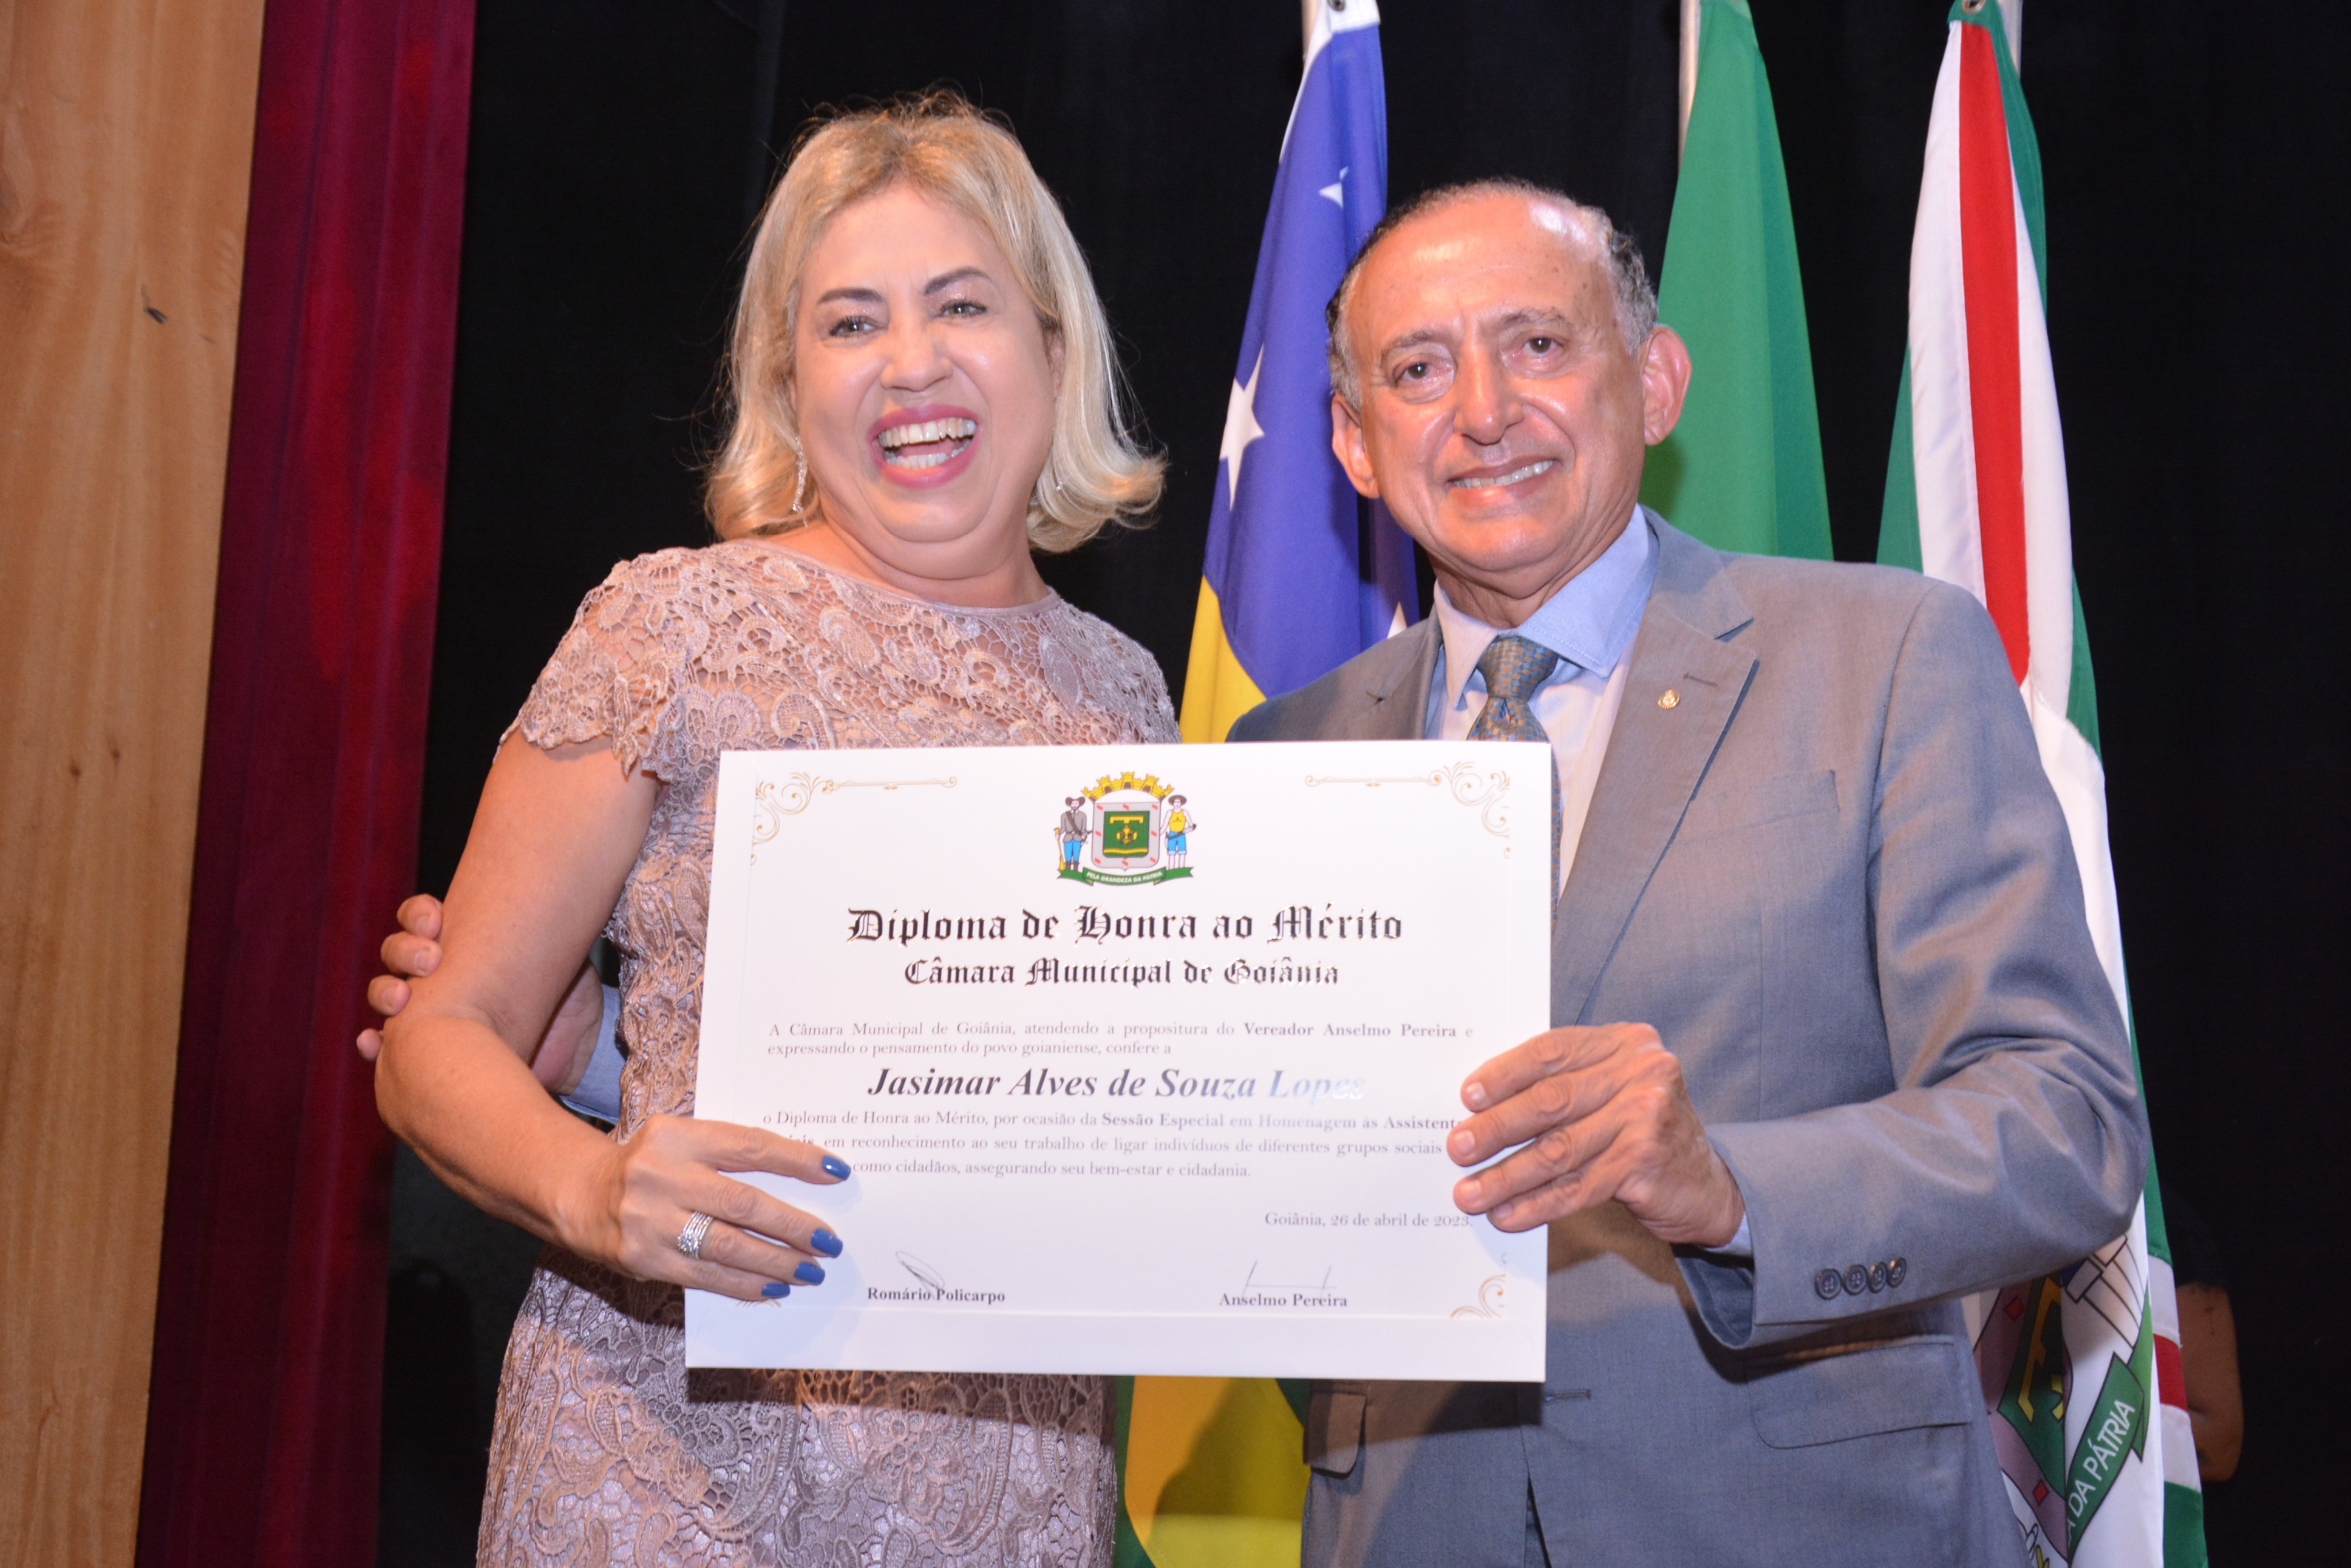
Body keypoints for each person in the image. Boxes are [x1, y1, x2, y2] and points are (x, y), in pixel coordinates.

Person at [1221, 180, 2148, 1566]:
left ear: (1654, 383)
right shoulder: (1279, 753)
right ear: (1356, 445)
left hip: (1802, 1524)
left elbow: (2065, 1122)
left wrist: (1729, 1187)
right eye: (1418, 369)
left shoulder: (1886, 657)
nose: (1483, 411)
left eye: (1538, 344)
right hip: (1413, 1522)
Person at [367, 95, 1174, 1566]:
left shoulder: (1127, 697)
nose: (910, 362)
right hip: (672, 1463)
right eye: (851, 322)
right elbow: (440, 1036)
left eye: (961, 304)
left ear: (1055, 351)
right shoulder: (672, 625)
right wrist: (594, 1185)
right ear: (790, 385)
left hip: (1010, 1487)